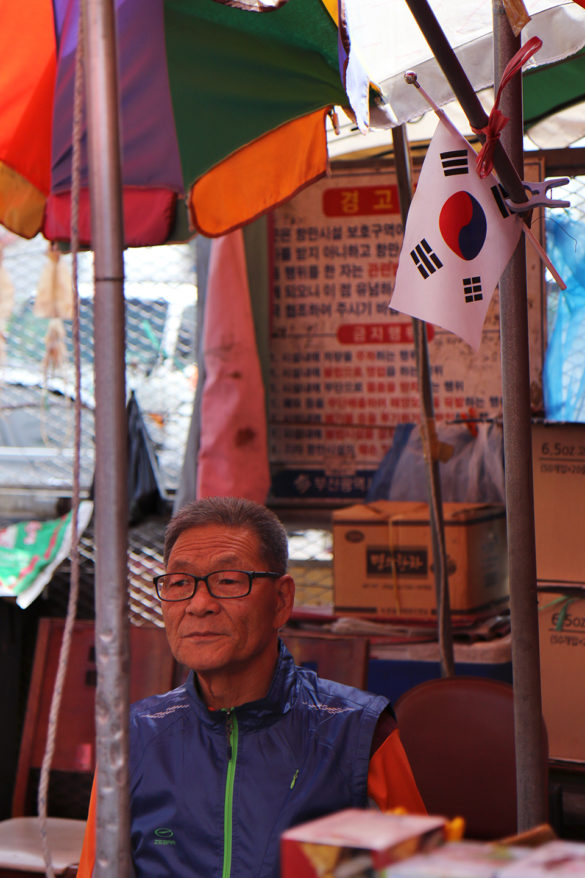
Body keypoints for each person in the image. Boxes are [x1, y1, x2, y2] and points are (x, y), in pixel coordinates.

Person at [77, 496, 425, 877]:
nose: (199, 604)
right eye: (179, 583)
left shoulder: (360, 734)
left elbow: (422, 869)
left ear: (281, 600)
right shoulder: (132, 739)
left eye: (227, 581)